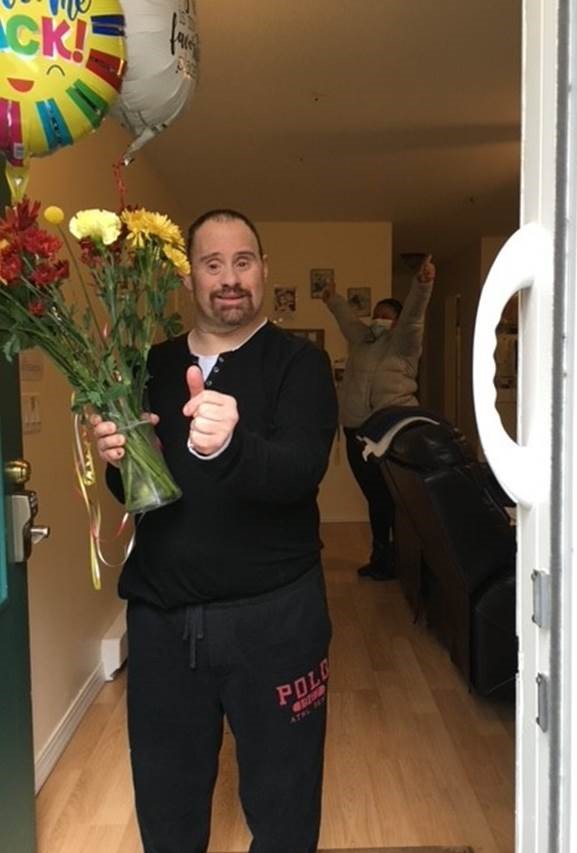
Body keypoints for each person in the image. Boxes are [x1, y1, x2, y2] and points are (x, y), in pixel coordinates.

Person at [91, 210, 338, 853]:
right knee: (167, 811)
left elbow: (299, 472)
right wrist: (117, 461)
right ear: (189, 279)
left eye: (243, 262)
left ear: (264, 270)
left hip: (277, 623)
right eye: (212, 264)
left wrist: (231, 444)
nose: (230, 279)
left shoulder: (299, 366)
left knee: (284, 813)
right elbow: (135, 495)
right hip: (164, 625)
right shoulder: (150, 363)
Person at [322, 255, 436, 580]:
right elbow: (346, 319)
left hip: (393, 430)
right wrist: (332, 298)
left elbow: (414, 316)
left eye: (386, 316)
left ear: (397, 322)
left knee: (397, 496)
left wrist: (422, 285)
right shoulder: (362, 340)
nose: (378, 320)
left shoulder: (404, 345)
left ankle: (408, 560)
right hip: (357, 428)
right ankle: (382, 557)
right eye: (375, 315)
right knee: (376, 496)